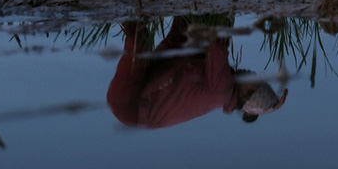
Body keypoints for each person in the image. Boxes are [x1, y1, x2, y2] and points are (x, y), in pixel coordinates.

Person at [106, 16, 288, 129]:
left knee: (138, 37)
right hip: (159, 79)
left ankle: (115, 0)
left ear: (246, 93)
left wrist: (233, 16)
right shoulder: (222, 91)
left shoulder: (222, 90)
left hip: (129, 105)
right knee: (185, 27)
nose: (252, 72)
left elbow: (218, 43)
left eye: (254, 79)